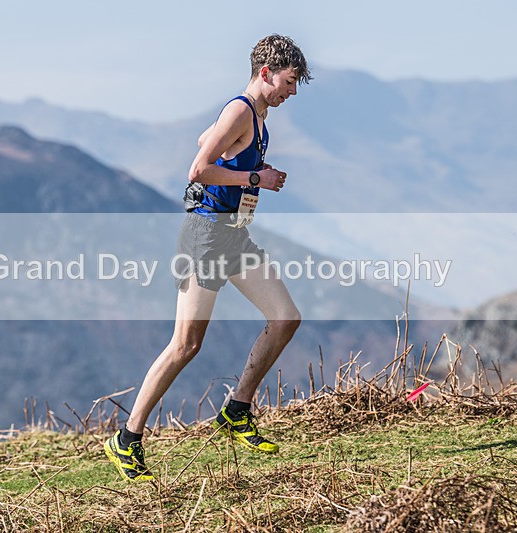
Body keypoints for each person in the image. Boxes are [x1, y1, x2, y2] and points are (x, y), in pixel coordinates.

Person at [104, 34, 312, 482]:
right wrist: (258, 176)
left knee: (286, 318)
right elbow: (198, 169)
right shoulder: (241, 109)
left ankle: (237, 411)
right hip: (206, 239)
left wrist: (242, 172)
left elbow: (208, 141)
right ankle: (127, 438)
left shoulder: (256, 115)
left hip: (233, 238)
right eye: (290, 81)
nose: (292, 92)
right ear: (265, 72)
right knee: (186, 345)